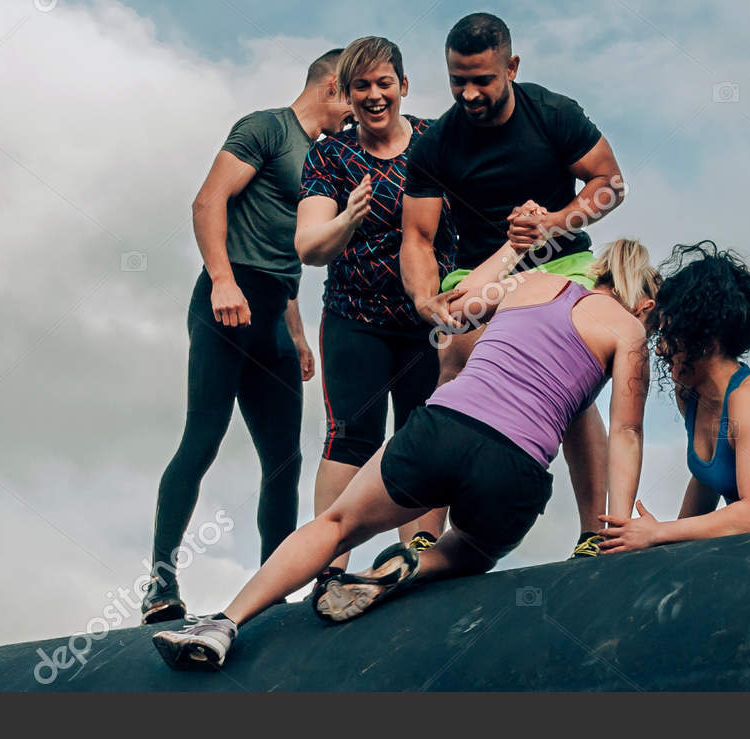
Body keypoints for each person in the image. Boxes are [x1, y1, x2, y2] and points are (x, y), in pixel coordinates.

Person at [151, 252, 660, 671]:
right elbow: (626, 433)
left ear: (599, 272)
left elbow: (455, 311)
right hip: (517, 465)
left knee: (335, 524)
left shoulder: (533, 283)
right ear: (643, 303)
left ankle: (223, 624)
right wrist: (616, 529)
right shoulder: (630, 333)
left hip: (444, 427)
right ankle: (414, 565)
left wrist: (507, 253)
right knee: (476, 551)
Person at [399, 11, 627, 559]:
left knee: (568, 378)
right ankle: (426, 532)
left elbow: (609, 183)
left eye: (483, 79)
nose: (470, 93)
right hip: (480, 268)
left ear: (512, 68)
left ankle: (595, 530)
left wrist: (555, 221)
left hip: (562, 261)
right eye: (459, 80)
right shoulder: (437, 143)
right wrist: (425, 297)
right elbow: (417, 236)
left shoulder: (552, 113)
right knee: (452, 354)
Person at [142, 49, 353, 624]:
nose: (358, 114)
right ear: (334, 87)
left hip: (275, 316)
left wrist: (299, 335)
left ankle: (271, 592)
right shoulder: (267, 128)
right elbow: (209, 200)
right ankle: (160, 584)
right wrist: (222, 281)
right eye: (354, 98)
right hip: (226, 304)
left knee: (284, 459)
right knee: (202, 440)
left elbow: (289, 256)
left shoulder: (327, 158)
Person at [294, 37, 455, 578]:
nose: (373, 95)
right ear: (346, 92)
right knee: (351, 440)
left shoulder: (436, 140)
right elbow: (309, 247)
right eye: (361, 86)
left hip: (428, 323)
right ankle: (329, 567)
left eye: (384, 83)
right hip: (355, 321)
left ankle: (417, 562)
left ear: (403, 87)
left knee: (424, 436)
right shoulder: (332, 155)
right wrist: (347, 218)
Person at [594, 241, 750, 553]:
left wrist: (658, 533)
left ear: (705, 339)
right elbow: (707, 479)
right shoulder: (690, 396)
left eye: (669, 334)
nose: (660, 348)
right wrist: (663, 549)